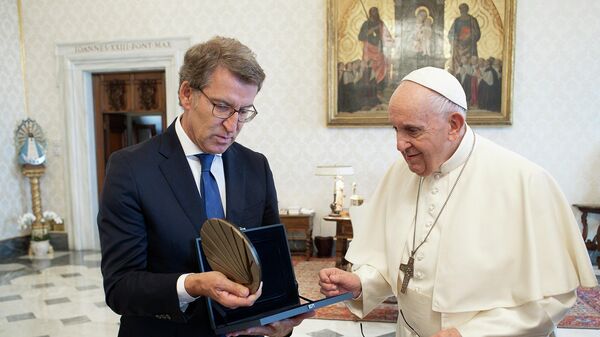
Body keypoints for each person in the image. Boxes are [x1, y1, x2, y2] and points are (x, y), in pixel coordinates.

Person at [319, 66, 597, 336]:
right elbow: (399, 266)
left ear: (453, 125)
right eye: (395, 129)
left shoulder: (525, 181)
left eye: (412, 131)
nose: (399, 144)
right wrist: (360, 283)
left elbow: (553, 297)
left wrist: (468, 334)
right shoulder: (398, 174)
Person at [98, 36, 312, 337]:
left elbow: (270, 266)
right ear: (187, 94)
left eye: (244, 112)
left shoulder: (256, 166)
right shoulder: (130, 169)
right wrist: (193, 284)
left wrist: (278, 324)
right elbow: (120, 288)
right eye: (222, 107)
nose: (232, 126)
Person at [358, 6, 394, 98]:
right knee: (369, 69)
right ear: (370, 14)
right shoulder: (366, 24)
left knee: (382, 69)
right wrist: (371, 30)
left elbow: (387, 36)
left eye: (376, 12)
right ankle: (369, 93)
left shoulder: (381, 24)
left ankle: (379, 90)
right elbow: (361, 37)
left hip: (379, 50)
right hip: (369, 50)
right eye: (373, 12)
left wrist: (391, 42)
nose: (375, 14)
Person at [448, 3, 481, 74]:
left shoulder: (472, 20)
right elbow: (451, 33)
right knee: (458, 64)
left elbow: (477, 33)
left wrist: (470, 36)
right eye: (461, 9)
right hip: (458, 47)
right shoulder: (457, 21)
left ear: (467, 10)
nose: (463, 11)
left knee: (469, 64)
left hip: (470, 46)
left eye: (464, 9)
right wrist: (454, 39)